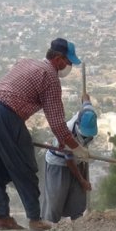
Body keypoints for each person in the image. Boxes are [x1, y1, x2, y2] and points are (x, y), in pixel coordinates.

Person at [0, 38, 90, 231]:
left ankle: (2, 218)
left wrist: (65, 142)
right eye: (69, 63)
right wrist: (77, 148)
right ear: (59, 59)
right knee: (25, 166)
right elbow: (57, 124)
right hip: (4, 114)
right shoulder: (50, 76)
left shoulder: (26, 62)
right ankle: (35, 219)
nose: (69, 67)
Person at [42, 94, 98, 223]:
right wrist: (82, 179)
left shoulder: (89, 113)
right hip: (59, 162)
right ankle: (50, 225)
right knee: (56, 197)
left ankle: (77, 222)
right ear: (78, 124)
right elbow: (69, 161)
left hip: (78, 158)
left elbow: (86, 99)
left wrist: (85, 97)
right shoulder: (67, 133)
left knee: (78, 195)